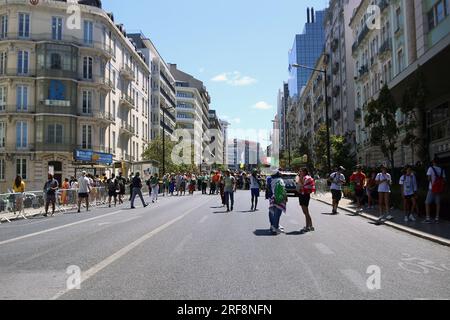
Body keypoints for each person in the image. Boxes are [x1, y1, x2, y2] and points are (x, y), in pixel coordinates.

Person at [425, 159, 446, 223]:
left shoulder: (430, 168)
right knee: (438, 203)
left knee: (427, 203)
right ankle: (437, 218)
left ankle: (428, 218)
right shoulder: (441, 169)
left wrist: (432, 181)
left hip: (432, 188)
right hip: (439, 189)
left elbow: (428, 179)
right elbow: (444, 180)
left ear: (433, 162)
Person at [296, 168, 316, 234]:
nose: (299, 172)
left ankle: (308, 226)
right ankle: (311, 225)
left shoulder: (306, 178)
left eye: (301, 171)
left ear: (304, 172)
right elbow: (298, 186)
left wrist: (300, 179)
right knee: (305, 212)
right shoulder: (301, 178)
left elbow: (302, 186)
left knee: (306, 211)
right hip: (301, 195)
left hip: (305, 195)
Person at [269, 169, 288, 235]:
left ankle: (273, 226)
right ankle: (275, 227)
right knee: (277, 214)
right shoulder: (280, 180)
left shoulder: (271, 180)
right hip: (279, 198)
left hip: (273, 197)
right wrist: (286, 197)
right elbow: (283, 189)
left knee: (272, 212)